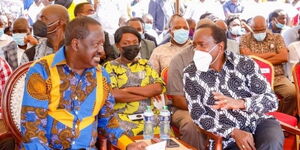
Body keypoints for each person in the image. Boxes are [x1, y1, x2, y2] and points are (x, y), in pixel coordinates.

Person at [21, 16, 147, 150]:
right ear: (76, 44)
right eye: (96, 45)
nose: (102, 51)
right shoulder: (42, 71)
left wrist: (129, 144)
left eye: (102, 44)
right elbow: (32, 129)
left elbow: (107, 121)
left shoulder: (102, 75)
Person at [183, 23, 284, 150]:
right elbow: (198, 116)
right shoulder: (191, 73)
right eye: (194, 45)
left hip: (258, 122)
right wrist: (233, 132)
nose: (196, 50)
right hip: (226, 134)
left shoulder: (244, 64)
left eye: (202, 45)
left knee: (271, 144)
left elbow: (271, 100)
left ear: (220, 46)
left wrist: (241, 103)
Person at [104, 26, 165, 137]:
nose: (131, 46)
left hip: (149, 114)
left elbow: (158, 88)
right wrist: (147, 94)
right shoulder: (109, 67)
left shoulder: (145, 64)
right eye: (126, 43)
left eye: (135, 42)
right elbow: (115, 95)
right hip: (122, 116)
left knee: (164, 131)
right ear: (117, 46)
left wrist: (127, 90)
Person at [240, 16, 296, 116]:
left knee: (292, 93)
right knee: (245, 96)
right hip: (254, 78)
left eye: (262, 30)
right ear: (251, 27)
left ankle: (283, 118)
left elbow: (283, 57)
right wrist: (272, 54)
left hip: (277, 77)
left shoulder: (276, 37)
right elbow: (248, 58)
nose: (259, 33)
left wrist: (257, 59)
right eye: (256, 31)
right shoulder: (245, 38)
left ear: (266, 26)